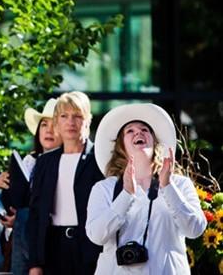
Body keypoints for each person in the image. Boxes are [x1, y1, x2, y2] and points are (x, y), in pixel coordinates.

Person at [86, 103, 206, 274]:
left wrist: (168, 187)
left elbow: (195, 230)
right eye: (130, 131)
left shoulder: (180, 184)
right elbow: (96, 236)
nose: (139, 133)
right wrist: (125, 195)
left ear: (154, 142)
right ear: (121, 146)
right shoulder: (104, 188)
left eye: (145, 130)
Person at [28, 91, 104, 275]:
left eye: (77, 116)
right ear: (56, 121)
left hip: (91, 248)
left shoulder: (100, 160)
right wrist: (35, 263)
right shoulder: (45, 162)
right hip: (53, 248)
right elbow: (36, 214)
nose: (71, 122)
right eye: (64, 116)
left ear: (88, 120)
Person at [0, 98, 62, 275]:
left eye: (55, 125)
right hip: (22, 236)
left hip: (50, 238)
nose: (49, 130)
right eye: (44, 125)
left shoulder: (66, 162)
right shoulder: (29, 161)